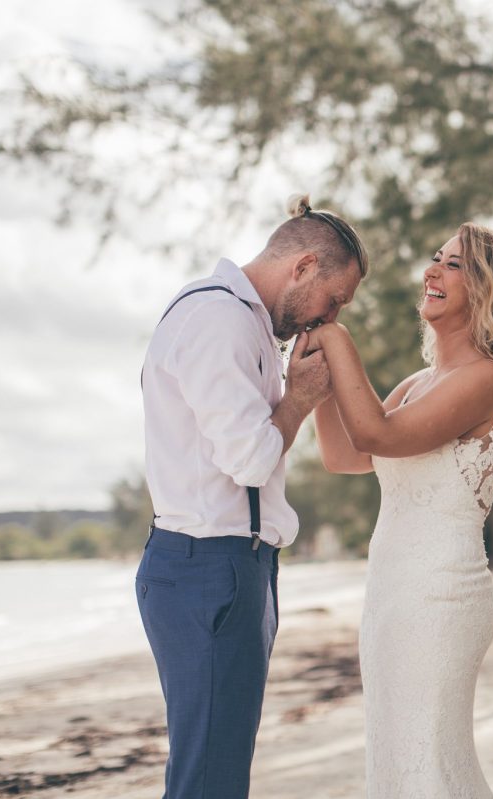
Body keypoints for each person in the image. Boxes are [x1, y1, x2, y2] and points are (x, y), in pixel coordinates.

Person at [305, 222, 493, 796]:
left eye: (455, 265)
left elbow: (375, 434)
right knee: (399, 759)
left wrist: (338, 341)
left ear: (492, 291)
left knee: (430, 762)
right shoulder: (421, 382)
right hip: (391, 595)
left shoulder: (485, 379)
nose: (433, 271)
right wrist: (323, 379)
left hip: (440, 598)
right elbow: (345, 456)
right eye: (435, 258)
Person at [136, 194, 367, 799]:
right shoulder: (219, 319)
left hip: (231, 566)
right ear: (304, 266)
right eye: (334, 299)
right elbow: (249, 459)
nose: (329, 317)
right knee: (209, 777)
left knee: (219, 767)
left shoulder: (245, 322)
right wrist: (299, 399)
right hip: (208, 567)